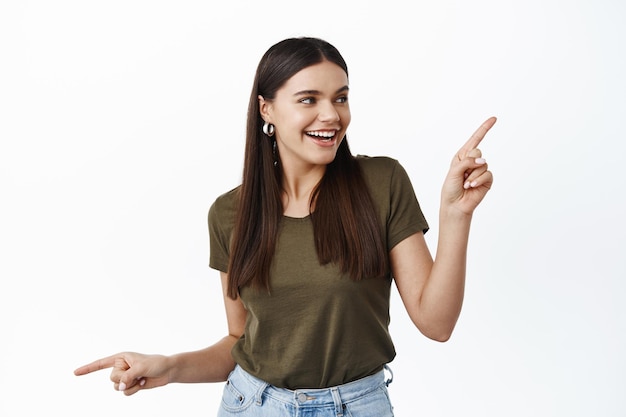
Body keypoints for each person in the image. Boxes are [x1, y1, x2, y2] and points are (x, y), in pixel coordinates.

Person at [74, 37, 496, 416]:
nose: (331, 115)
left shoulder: (381, 183)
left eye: (341, 97)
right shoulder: (229, 214)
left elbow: (436, 323)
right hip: (253, 405)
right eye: (308, 99)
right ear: (266, 109)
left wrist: (455, 216)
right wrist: (169, 367)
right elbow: (239, 341)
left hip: (358, 406)